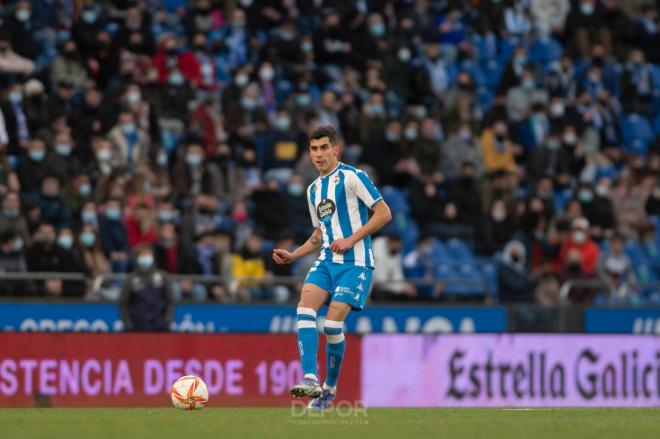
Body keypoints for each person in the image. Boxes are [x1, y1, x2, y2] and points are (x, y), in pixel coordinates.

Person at [272, 125, 392, 409]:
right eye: (314, 149)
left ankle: (330, 387)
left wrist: (351, 239)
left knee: (333, 325)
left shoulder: (353, 177)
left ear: (335, 149)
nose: (319, 154)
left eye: (324, 147)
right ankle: (311, 378)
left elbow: (384, 213)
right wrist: (294, 255)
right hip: (327, 261)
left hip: (356, 262)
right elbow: (319, 235)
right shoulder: (313, 190)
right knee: (304, 308)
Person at [119, 244, 176, 332]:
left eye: (148, 255)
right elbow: (123, 303)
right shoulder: (130, 279)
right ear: (137, 258)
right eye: (142, 255)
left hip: (159, 325)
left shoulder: (163, 276)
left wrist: (167, 321)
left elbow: (171, 300)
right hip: (137, 326)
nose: (145, 258)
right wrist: (128, 324)